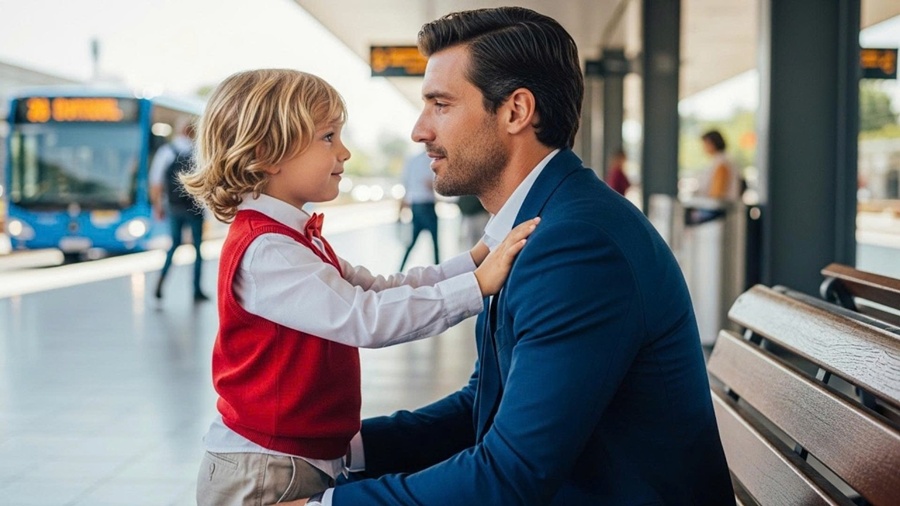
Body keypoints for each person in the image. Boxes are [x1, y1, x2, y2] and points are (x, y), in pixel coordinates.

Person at [292, 7, 735, 505]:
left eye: (440, 104)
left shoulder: (577, 246)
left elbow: (510, 477)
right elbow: (483, 404)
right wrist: (336, 449)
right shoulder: (548, 221)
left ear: (516, 111)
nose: (419, 131)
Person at [179, 68, 539, 506]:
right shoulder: (268, 249)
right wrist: (476, 287)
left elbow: (380, 288)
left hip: (287, 461)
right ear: (268, 153)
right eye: (328, 137)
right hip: (266, 472)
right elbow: (365, 317)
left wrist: (473, 261)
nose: (345, 152)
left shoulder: (290, 238)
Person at [149, 119, 208, 301]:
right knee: (197, 249)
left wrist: (158, 206)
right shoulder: (198, 152)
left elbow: (156, 182)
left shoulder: (166, 151)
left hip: (174, 207)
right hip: (195, 208)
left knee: (174, 245)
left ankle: (161, 281)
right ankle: (196, 290)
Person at [398, 150, 439, 270]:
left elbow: (405, 183)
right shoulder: (429, 160)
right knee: (434, 243)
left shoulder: (412, 161)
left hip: (416, 205)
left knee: (412, 243)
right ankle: (439, 272)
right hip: (426, 205)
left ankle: (399, 270)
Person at [697, 129, 742, 202]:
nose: (703, 148)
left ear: (712, 144)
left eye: (705, 144)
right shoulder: (718, 160)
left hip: (721, 206)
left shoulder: (722, 162)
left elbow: (717, 192)